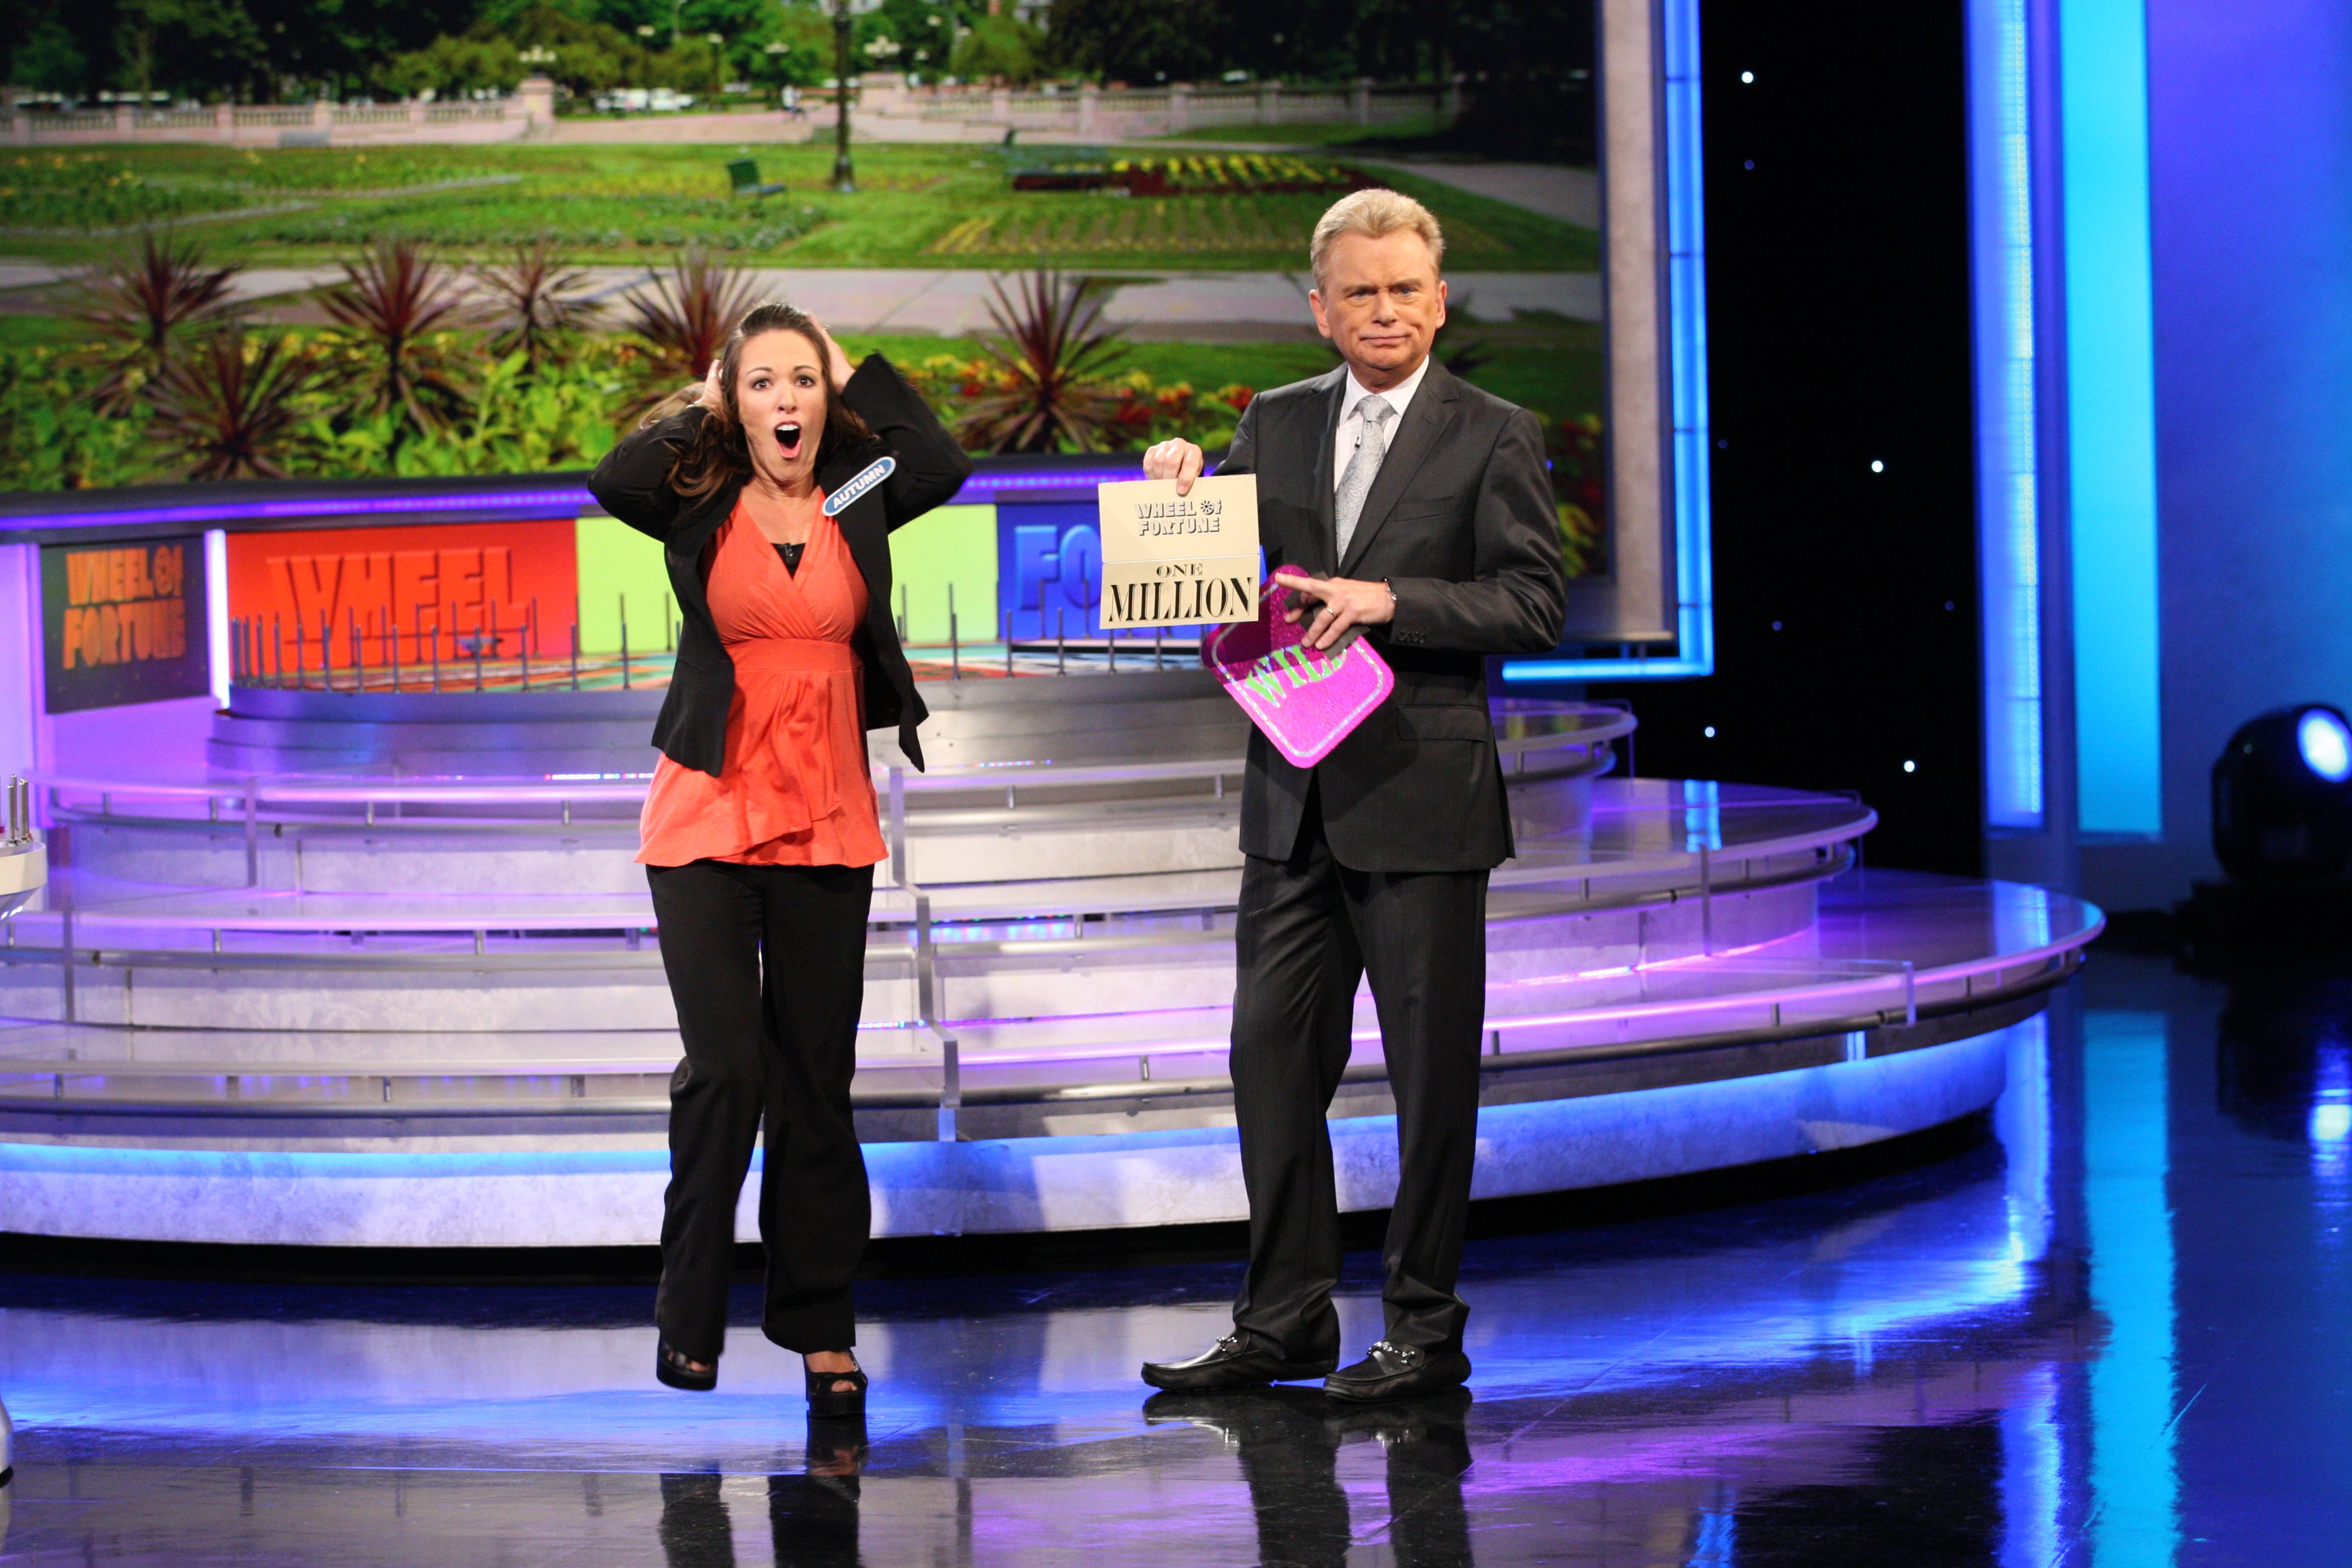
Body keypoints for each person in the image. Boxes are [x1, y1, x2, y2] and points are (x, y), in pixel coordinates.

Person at [1138, 189, 1569, 1403]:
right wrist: (1179, 488)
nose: (1384, 311)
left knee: (1432, 1079)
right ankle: (1282, 1324)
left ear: (1438, 300)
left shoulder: (1491, 431)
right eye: (1360, 293)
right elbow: (1210, 581)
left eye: (1405, 290)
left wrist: (1393, 601)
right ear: (1319, 309)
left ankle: (1424, 1331)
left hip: (1424, 797)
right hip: (1292, 800)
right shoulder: (1266, 425)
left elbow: (1535, 603)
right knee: (1268, 1061)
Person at [590, 302, 971, 1410]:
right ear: (736, 401)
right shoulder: (700, 503)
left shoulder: (854, 498)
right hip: (707, 814)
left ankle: (820, 1327)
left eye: (802, 382)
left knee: (816, 1078)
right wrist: (709, 393)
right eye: (763, 384)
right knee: (729, 1071)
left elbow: (938, 461)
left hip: (825, 815)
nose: (786, 402)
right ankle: (689, 1316)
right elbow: (618, 481)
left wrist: (851, 368)